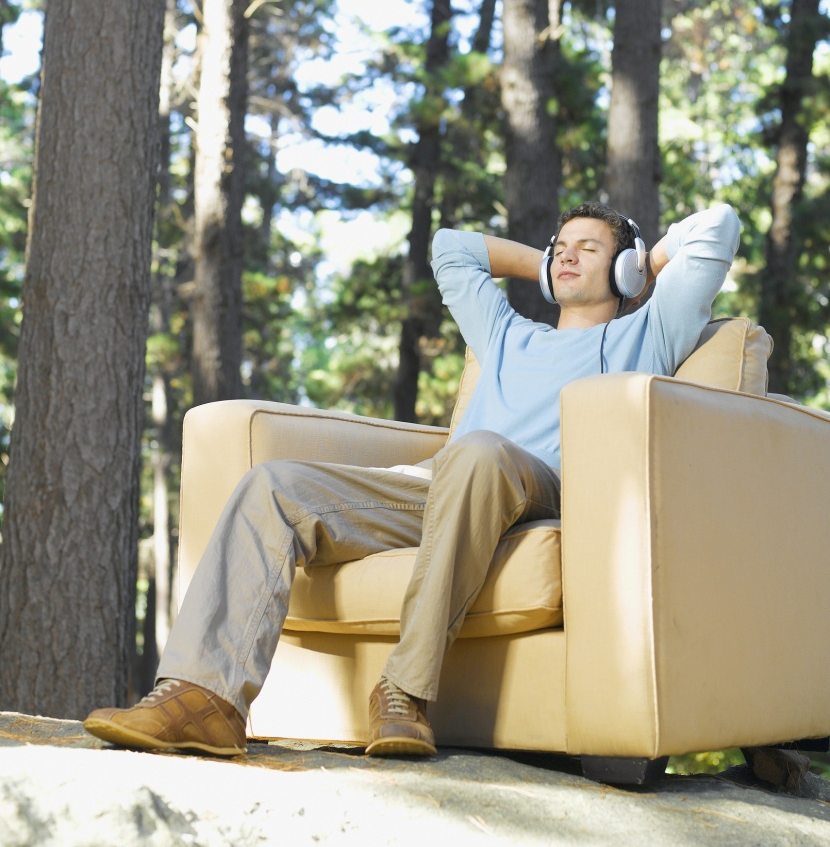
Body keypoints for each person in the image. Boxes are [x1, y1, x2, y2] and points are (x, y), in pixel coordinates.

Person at [84, 200, 742, 762]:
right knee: (273, 485)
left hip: (539, 492)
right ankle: (206, 698)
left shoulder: (646, 333)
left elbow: (718, 227)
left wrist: (647, 262)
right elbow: (450, 249)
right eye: (558, 248)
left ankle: (405, 690)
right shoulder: (505, 333)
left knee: (481, 450)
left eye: (588, 248)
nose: (566, 257)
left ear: (624, 269)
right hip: (448, 484)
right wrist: (536, 263)